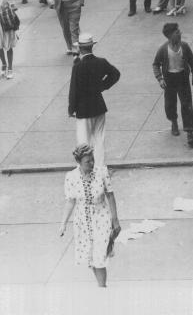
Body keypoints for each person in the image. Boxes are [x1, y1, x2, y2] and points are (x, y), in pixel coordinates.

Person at [59, 144, 121, 288]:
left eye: (92, 160)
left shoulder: (102, 172)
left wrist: (115, 220)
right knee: (91, 257)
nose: (92, 163)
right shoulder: (71, 177)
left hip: (102, 218)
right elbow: (70, 201)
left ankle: (102, 288)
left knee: (99, 257)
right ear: (79, 162)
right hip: (83, 222)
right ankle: (101, 286)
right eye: (88, 162)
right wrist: (63, 224)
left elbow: (110, 196)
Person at [68, 34, 120, 168]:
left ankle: (86, 169)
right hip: (98, 105)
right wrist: (103, 86)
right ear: (92, 46)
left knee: (84, 142)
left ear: (80, 48)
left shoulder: (78, 66)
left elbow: (74, 90)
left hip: (83, 109)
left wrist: (71, 108)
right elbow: (115, 74)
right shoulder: (101, 62)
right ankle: (100, 168)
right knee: (99, 140)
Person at [152, 23, 193, 148]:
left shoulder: (185, 46)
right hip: (169, 80)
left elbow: (192, 61)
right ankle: (174, 123)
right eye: (177, 32)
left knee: (187, 104)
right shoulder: (163, 49)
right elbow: (155, 64)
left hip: (183, 78)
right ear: (170, 36)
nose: (180, 33)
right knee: (170, 104)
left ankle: (189, 132)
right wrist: (160, 78)